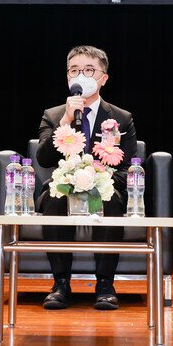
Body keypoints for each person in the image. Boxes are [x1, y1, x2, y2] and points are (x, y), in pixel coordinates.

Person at [35, 45, 138, 310]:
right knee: (54, 200)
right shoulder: (53, 115)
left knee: (111, 200)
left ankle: (105, 284)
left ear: (103, 77)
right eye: (74, 70)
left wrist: (98, 180)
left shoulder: (121, 119)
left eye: (89, 70)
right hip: (64, 186)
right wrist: (66, 121)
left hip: (105, 185)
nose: (81, 75)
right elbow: (44, 160)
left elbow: (126, 167)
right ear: (68, 77)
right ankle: (60, 284)